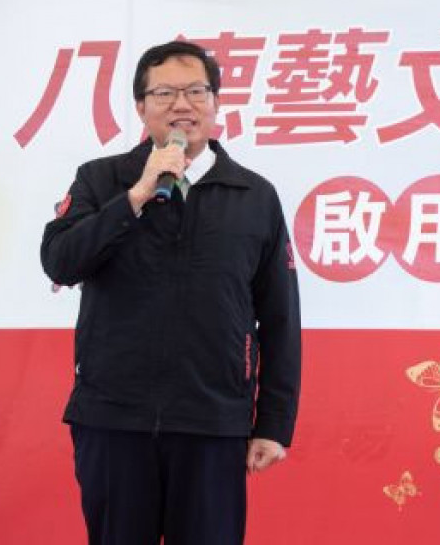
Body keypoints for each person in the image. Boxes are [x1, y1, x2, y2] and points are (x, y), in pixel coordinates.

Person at [41, 41, 302, 545]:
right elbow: (60, 261)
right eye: (164, 94)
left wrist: (273, 422)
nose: (182, 105)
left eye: (196, 92)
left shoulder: (254, 195)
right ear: (141, 107)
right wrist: (135, 196)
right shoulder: (101, 179)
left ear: (216, 102)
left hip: (212, 422)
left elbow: (280, 317)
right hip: (114, 418)